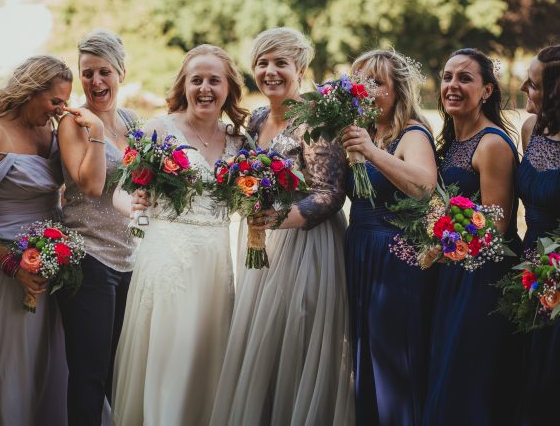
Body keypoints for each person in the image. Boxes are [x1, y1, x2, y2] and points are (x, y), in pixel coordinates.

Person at [210, 27, 354, 426]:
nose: (270, 71)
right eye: (262, 63)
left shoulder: (315, 122)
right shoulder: (256, 121)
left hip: (306, 246)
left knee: (296, 336)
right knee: (262, 338)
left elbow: (330, 193)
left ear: (301, 69)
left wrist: (278, 219)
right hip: (263, 243)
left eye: (280, 63)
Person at [112, 44, 247, 426]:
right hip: (168, 257)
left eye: (214, 81)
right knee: (172, 353)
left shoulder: (239, 142)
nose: (205, 88)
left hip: (216, 263)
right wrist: (134, 204)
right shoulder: (158, 129)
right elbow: (120, 190)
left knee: (207, 354)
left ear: (228, 88)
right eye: (197, 80)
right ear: (184, 86)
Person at [0, 55, 72, 426]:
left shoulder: (50, 132)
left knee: (51, 357)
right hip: (6, 259)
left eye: (65, 101)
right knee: (13, 358)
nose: (60, 110)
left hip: (51, 259)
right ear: (30, 91)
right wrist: (12, 264)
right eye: (55, 101)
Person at [423, 48, 521, 425]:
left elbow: (495, 227)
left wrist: (440, 243)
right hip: (450, 273)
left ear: (487, 91)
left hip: (481, 281)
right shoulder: (449, 144)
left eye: (465, 78)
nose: (452, 85)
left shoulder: (491, 144)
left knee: (465, 379)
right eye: (448, 77)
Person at [341, 49, 437, 426]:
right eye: (359, 83)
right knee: (365, 357)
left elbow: (424, 186)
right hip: (360, 253)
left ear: (398, 90)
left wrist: (371, 152)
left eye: (376, 83)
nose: (365, 90)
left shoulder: (412, 133)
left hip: (395, 259)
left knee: (395, 361)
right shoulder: (360, 131)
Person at [57, 29, 139, 426]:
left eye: (104, 71)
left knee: (122, 371)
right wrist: (98, 134)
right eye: (87, 73)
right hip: (89, 258)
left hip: (131, 258)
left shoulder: (132, 121)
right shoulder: (73, 124)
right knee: (90, 373)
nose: (96, 82)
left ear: (121, 72)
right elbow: (90, 186)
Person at [515, 44, 560, 426]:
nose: (523, 89)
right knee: (526, 371)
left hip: (559, 272)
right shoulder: (531, 129)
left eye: (532, 84)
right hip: (530, 264)